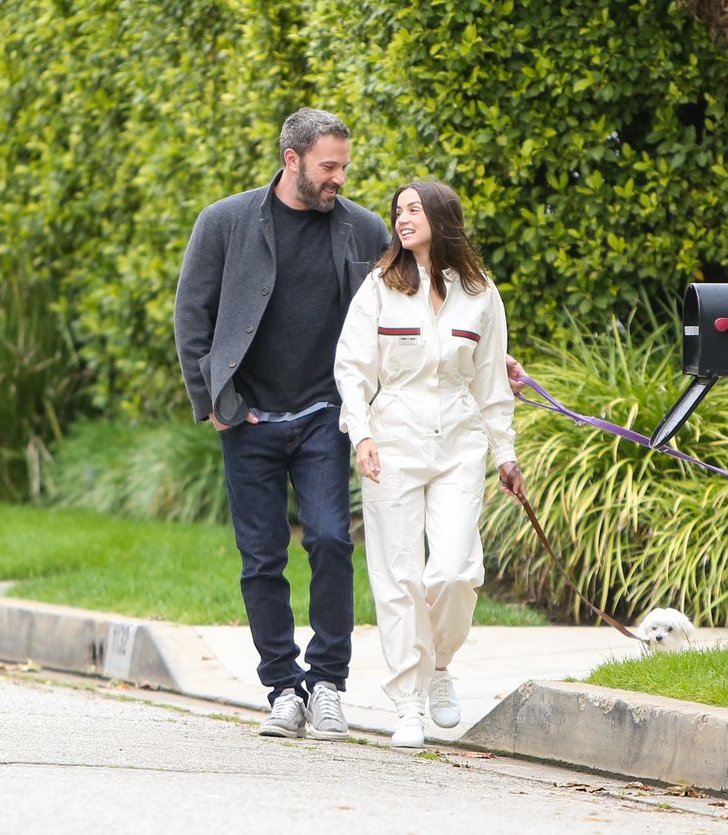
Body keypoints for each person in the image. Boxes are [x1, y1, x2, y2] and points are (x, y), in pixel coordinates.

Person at [174, 108, 389, 740]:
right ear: (291, 159)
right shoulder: (224, 222)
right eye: (329, 166)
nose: (339, 179)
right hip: (248, 417)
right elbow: (193, 315)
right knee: (261, 556)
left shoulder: (364, 230)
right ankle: (282, 688)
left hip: (325, 413)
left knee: (329, 539)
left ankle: (327, 683)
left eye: (344, 166)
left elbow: (413, 303)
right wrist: (209, 398)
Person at [334, 181, 524, 748]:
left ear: (442, 218)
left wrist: (505, 453)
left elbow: (492, 381)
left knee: (455, 572)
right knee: (398, 578)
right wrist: (361, 434)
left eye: (413, 209)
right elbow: (352, 367)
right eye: (398, 211)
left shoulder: (480, 292)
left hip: (460, 443)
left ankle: (438, 666)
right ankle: (409, 702)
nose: (401, 218)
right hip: (392, 438)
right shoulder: (379, 288)